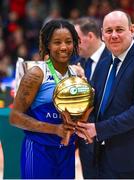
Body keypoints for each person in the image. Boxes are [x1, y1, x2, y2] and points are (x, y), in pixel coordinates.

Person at [76, 10, 134, 179]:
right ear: (102, 35)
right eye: (109, 31)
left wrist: (98, 129)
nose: (114, 35)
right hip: (104, 158)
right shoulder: (104, 65)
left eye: (119, 29)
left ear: (132, 30)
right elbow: (95, 105)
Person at [9, 19, 80, 179]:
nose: (63, 47)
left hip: (66, 151)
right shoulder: (36, 74)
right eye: (57, 42)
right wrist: (55, 129)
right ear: (48, 44)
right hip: (39, 150)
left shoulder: (75, 75)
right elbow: (15, 117)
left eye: (68, 42)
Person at [72, 17, 110, 179]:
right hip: (85, 142)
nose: (75, 45)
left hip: (108, 138)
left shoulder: (113, 59)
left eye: (77, 40)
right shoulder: (79, 63)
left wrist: (84, 81)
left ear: (91, 36)